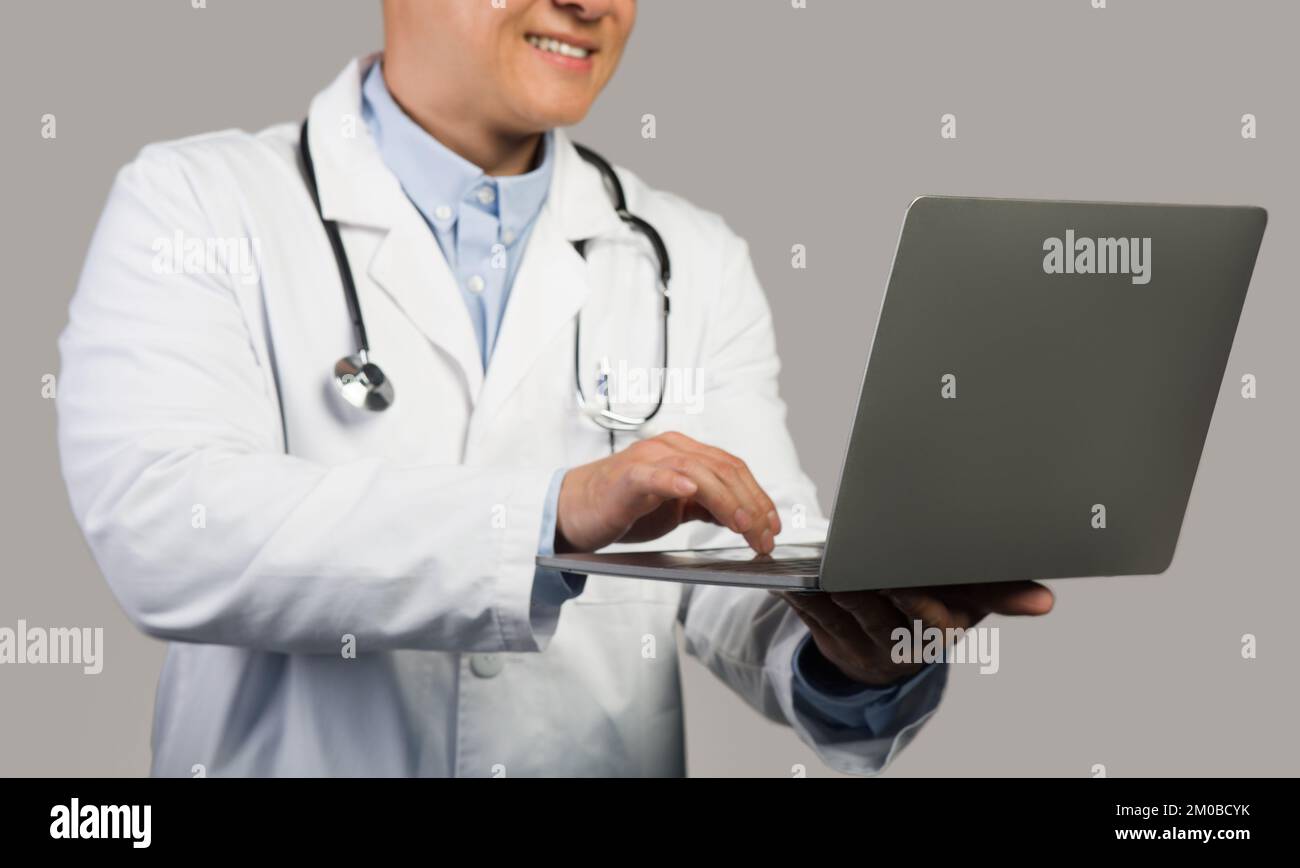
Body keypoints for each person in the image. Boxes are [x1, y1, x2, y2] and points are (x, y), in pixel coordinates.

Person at [57, 0, 1053, 777]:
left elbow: (738, 576)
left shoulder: (686, 256)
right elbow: (165, 528)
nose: (588, 4)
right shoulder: (195, 203)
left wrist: (855, 650)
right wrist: (551, 513)